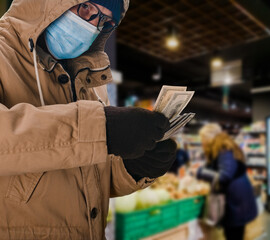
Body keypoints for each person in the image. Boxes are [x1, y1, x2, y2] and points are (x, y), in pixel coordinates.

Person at [0, 0, 176, 239]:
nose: (92, 26)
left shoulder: (88, 79)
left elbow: (83, 174)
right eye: (86, 9)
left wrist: (130, 168)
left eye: (104, 21)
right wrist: (99, 129)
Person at [196, 123, 257, 240]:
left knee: (233, 235)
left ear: (210, 138)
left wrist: (201, 172)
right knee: (235, 234)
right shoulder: (224, 147)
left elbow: (224, 176)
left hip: (234, 201)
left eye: (203, 138)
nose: (202, 142)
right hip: (237, 197)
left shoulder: (223, 149)